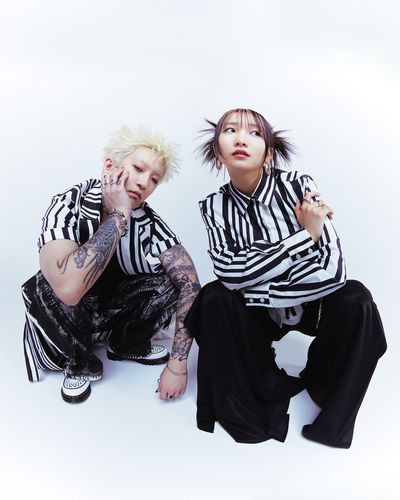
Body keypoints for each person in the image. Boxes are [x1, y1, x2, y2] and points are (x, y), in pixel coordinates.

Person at [185, 108, 387, 448]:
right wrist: (304, 237)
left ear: (269, 153)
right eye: (230, 131)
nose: (241, 139)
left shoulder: (300, 186)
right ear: (218, 151)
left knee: (358, 299)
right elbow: (230, 274)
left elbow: (334, 271)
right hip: (258, 318)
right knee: (214, 296)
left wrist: (256, 287)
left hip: (311, 307)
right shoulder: (213, 206)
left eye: (254, 133)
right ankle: (256, 388)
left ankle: (327, 398)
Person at [22, 125, 200, 403]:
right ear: (110, 166)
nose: (144, 183)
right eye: (138, 168)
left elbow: (191, 285)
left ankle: (124, 344)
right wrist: (119, 215)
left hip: (109, 313)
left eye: (154, 179)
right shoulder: (69, 204)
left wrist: (178, 366)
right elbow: (67, 290)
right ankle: (79, 362)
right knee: (42, 285)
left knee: (170, 280)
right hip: (65, 319)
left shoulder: (148, 221)